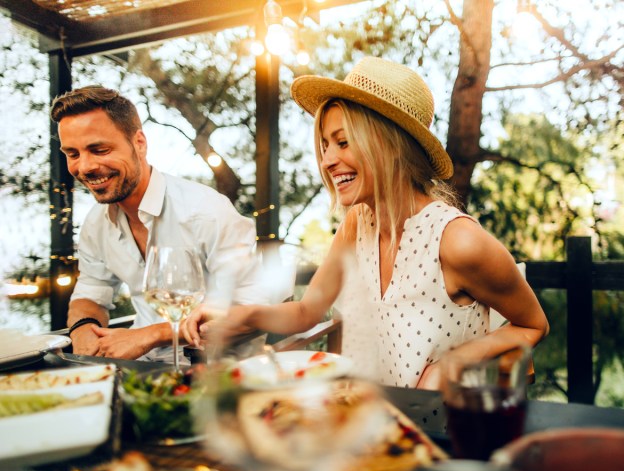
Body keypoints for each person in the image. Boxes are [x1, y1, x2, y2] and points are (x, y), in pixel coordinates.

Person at [182, 57, 549, 389]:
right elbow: (306, 311)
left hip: (446, 434)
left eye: (342, 142)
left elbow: (533, 324)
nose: (327, 160)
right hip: (372, 426)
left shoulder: (457, 241)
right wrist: (240, 313)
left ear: (390, 145)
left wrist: (452, 363)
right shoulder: (358, 223)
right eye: (325, 145)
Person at [51, 85, 266, 361]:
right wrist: (82, 332)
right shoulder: (96, 224)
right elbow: (90, 295)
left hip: (221, 373)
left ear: (139, 143)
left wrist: (152, 335)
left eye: (99, 149)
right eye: (73, 154)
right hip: (139, 371)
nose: (85, 167)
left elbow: (253, 310)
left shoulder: (206, 212)